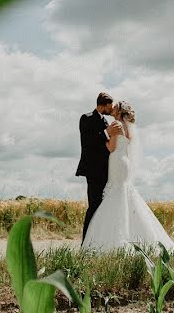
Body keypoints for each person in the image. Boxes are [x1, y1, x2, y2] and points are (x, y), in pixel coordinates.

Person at [82, 100, 174, 251]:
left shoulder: (117, 126)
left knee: (116, 194)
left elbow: (111, 148)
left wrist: (104, 139)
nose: (112, 110)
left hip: (116, 161)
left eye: (115, 108)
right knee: (124, 192)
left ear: (119, 112)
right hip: (125, 162)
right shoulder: (127, 127)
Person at [76, 92, 122, 242]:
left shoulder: (106, 121)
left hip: (106, 170)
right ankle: (85, 243)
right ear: (103, 105)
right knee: (94, 206)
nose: (111, 109)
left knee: (103, 208)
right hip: (93, 171)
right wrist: (106, 132)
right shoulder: (86, 118)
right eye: (110, 106)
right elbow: (87, 142)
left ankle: (98, 240)